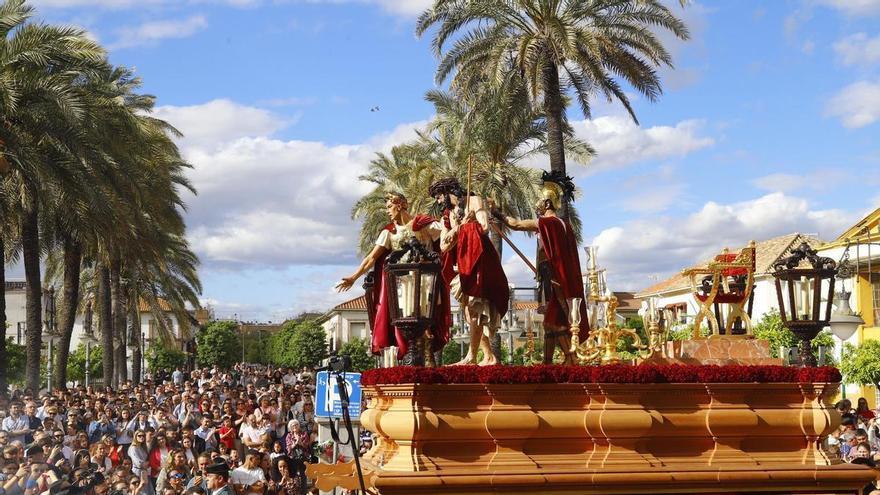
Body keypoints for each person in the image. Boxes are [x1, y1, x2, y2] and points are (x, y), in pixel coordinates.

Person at [335, 192, 448, 364]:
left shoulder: (424, 224)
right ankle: (409, 357)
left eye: (389, 207)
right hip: (402, 284)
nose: (387, 211)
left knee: (426, 321)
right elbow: (372, 258)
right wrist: (354, 277)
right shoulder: (389, 232)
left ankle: (427, 356)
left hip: (425, 281)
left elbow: (446, 240)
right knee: (406, 321)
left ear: (401, 204)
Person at [494, 171, 590, 364]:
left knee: (552, 321)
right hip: (554, 278)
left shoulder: (547, 223)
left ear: (547, 203)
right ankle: (547, 363)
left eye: (539, 199)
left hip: (555, 280)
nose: (536, 203)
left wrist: (496, 212)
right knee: (550, 323)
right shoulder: (564, 225)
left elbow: (516, 224)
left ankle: (571, 358)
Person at [431, 177, 509, 366]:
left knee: (473, 309)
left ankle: (471, 357)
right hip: (464, 265)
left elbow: (483, 227)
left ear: (449, 191)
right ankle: (489, 355)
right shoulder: (447, 216)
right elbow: (443, 246)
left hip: (480, 261)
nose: (439, 201)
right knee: (469, 313)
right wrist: (459, 227)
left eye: (439, 197)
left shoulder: (474, 201)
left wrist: (467, 224)